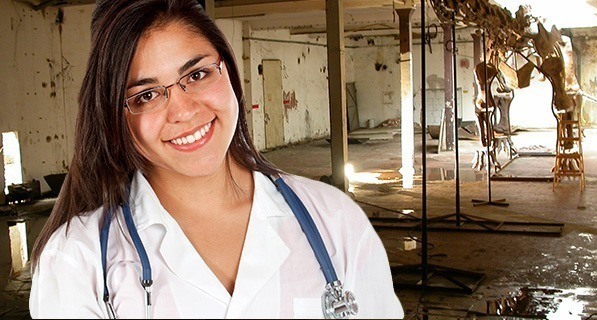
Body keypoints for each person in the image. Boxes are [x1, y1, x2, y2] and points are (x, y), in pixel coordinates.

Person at [29, 0, 404, 318]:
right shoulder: (77, 260)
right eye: (146, 96)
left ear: (229, 72)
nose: (183, 110)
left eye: (197, 74)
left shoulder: (335, 221)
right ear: (114, 116)